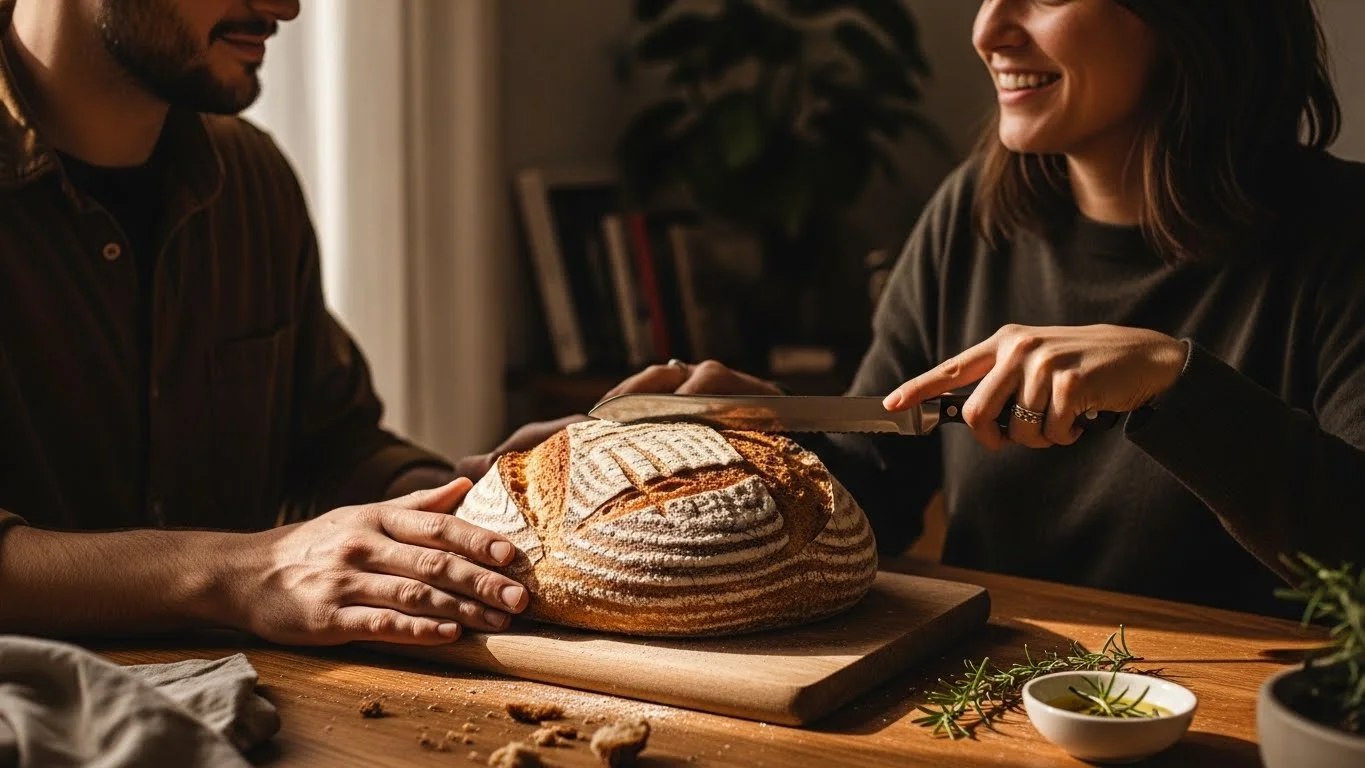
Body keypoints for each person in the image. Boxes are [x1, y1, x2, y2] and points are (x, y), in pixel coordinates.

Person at [606, 0, 1365, 618]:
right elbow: (877, 489)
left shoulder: (1343, 235)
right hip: (984, 699)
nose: (987, 31)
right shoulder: (968, 213)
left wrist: (1174, 382)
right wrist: (760, 447)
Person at [0, 0, 573, 645]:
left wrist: (478, 498)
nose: (288, 8)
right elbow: (275, 563)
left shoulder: (249, 176)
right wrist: (246, 573)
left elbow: (328, 448)